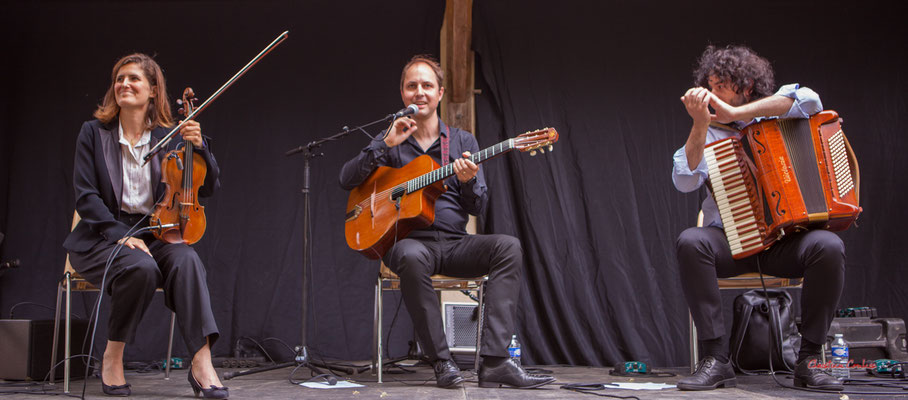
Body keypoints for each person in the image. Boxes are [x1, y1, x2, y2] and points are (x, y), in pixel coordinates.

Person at [339, 55, 555, 389]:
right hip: (409, 244)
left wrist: (468, 181)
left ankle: (495, 362)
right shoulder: (391, 142)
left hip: (455, 244)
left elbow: (477, 207)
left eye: (427, 85)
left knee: (508, 247)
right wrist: (383, 144)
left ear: (439, 93)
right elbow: (346, 179)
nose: (419, 92)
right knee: (410, 255)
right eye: (412, 86)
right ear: (403, 94)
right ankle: (441, 361)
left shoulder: (463, 142)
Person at [672, 45, 846, 391]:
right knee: (692, 242)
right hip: (733, 244)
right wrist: (700, 124)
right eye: (709, 84)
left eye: (720, 85)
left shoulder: (777, 115)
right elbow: (684, 178)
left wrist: (738, 112)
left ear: (746, 85)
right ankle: (715, 360)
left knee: (828, 245)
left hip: (785, 244)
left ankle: (809, 361)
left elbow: (810, 99)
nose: (711, 92)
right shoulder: (708, 133)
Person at [63, 53, 228, 398]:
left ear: (153, 90)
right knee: (141, 268)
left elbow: (207, 187)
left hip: (155, 229)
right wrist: (119, 234)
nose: (124, 84)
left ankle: (202, 362)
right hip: (102, 234)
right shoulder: (93, 134)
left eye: (134, 79)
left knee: (187, 261)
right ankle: (113, 355)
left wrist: (199, 148)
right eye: (120, 78)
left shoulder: (170, 136)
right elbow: (86, 196)